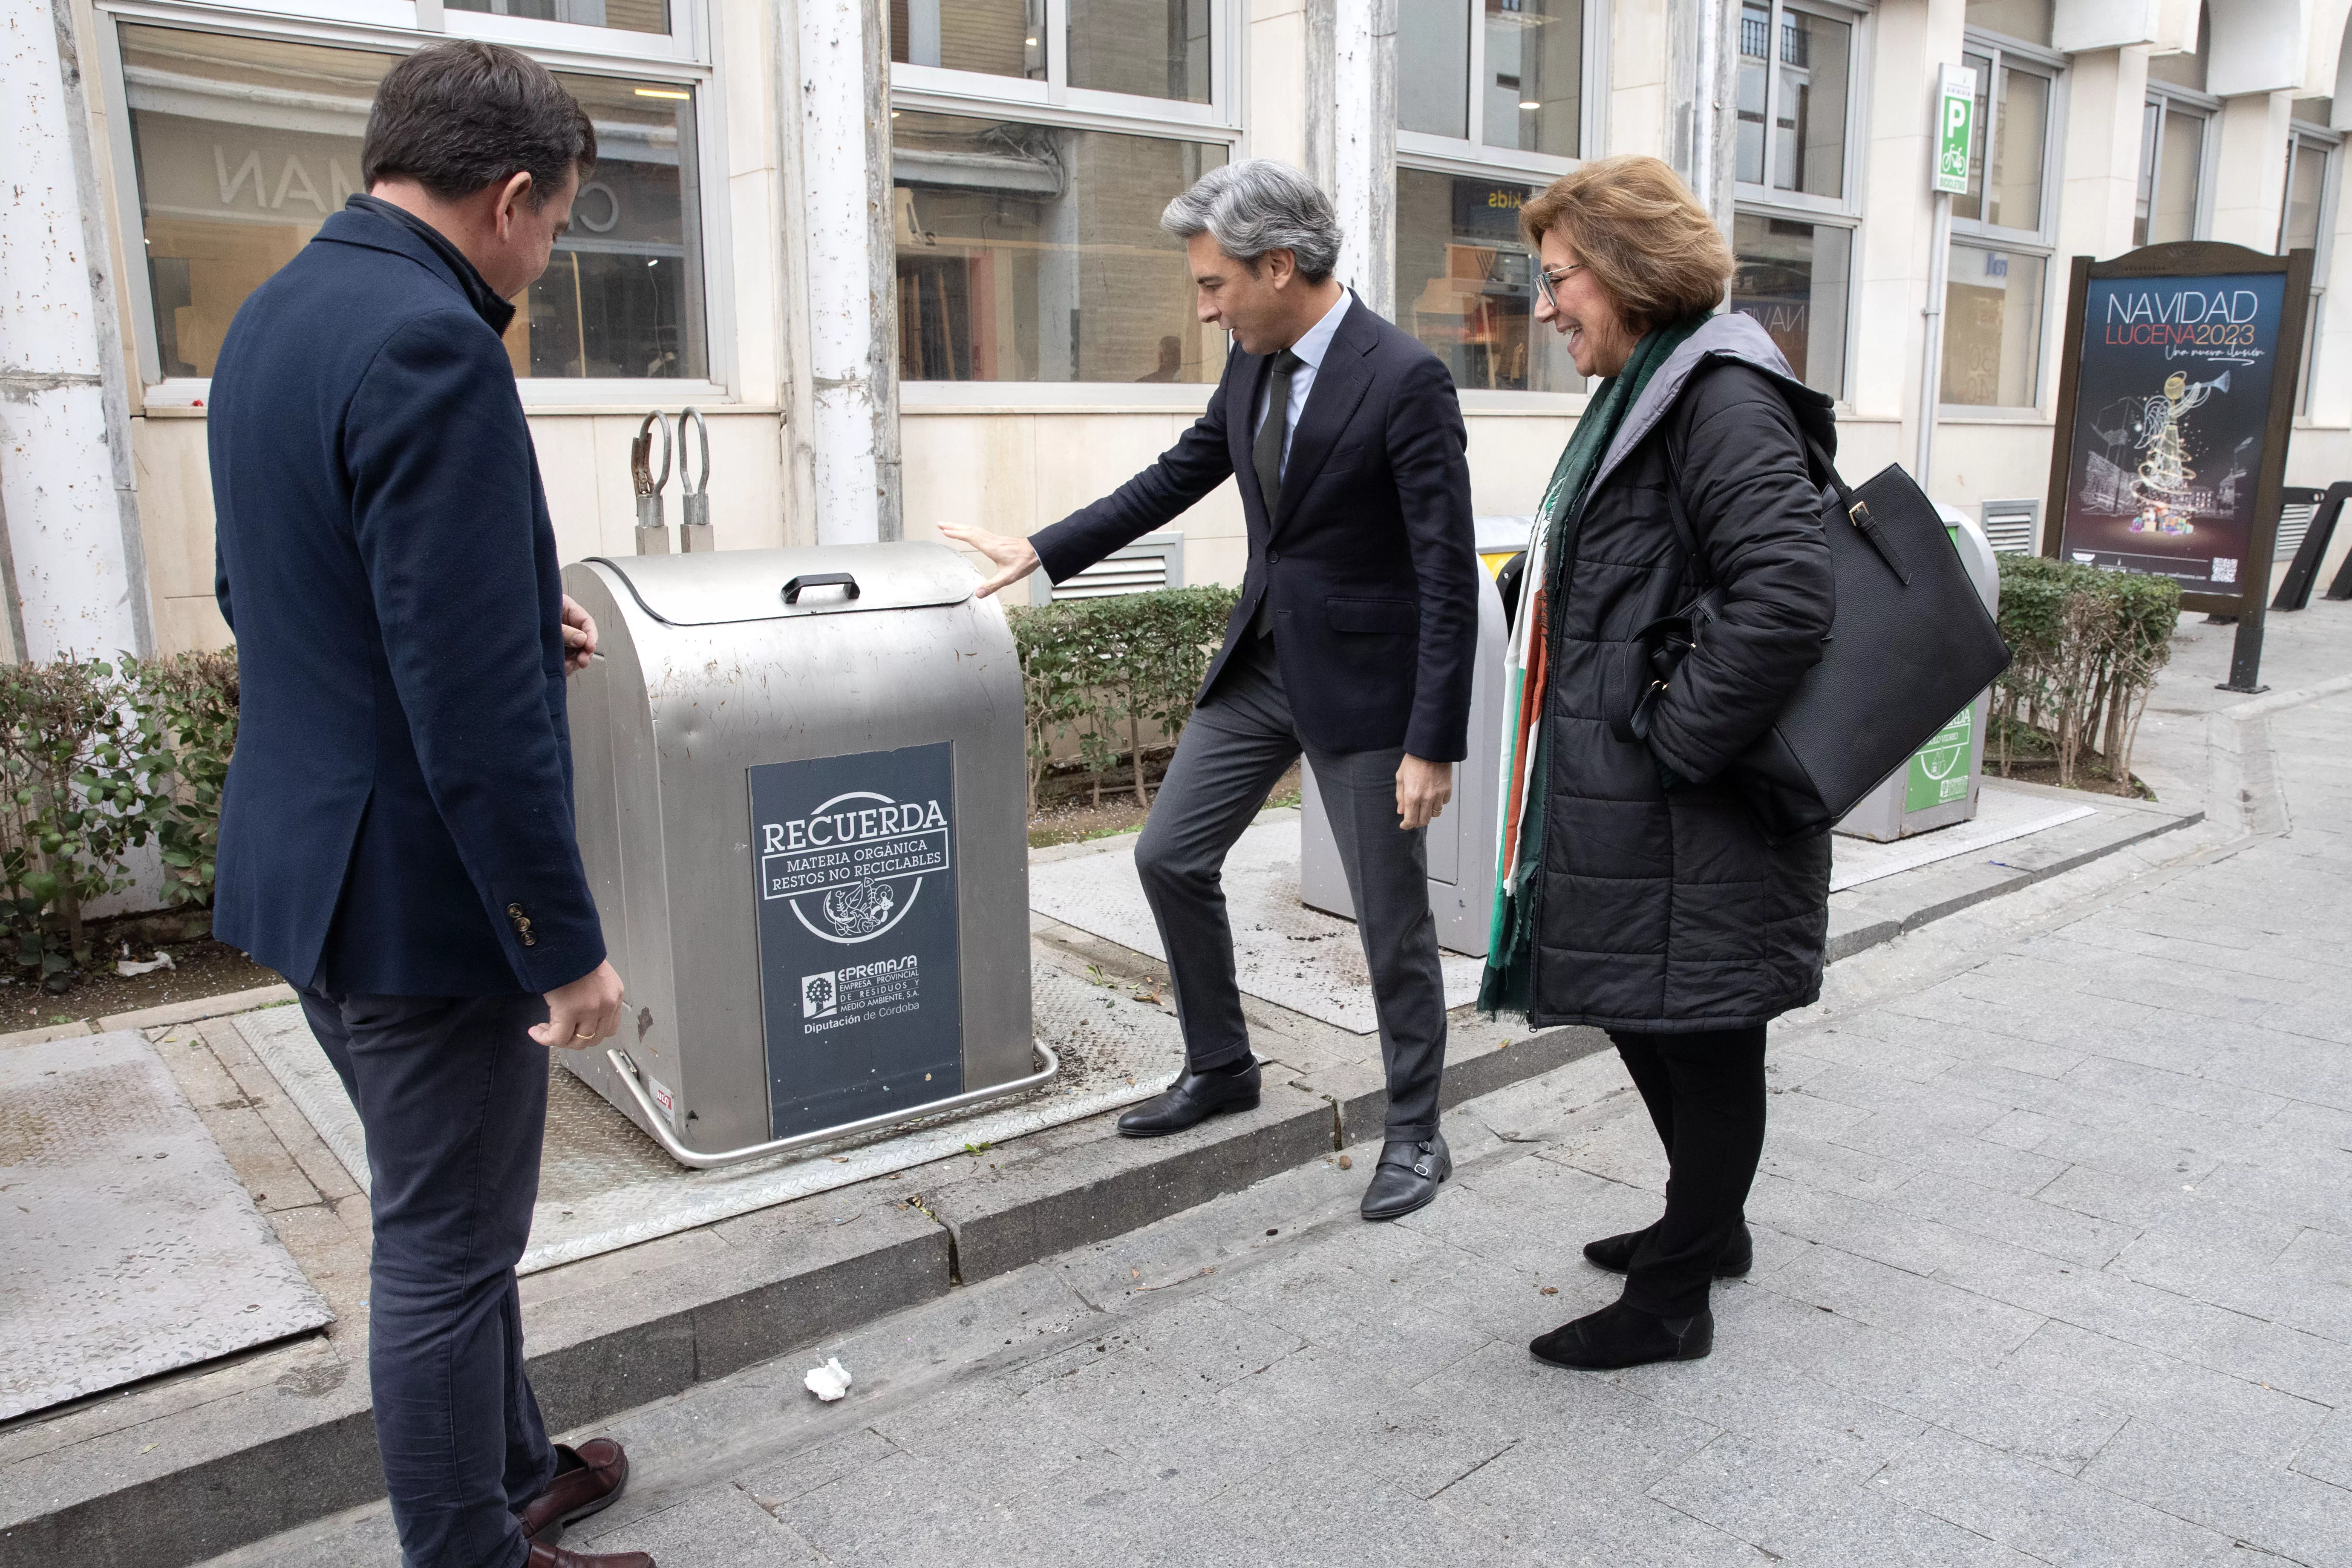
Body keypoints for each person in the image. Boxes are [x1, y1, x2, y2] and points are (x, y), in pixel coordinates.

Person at [209, 41, 650, 1568]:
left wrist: (528, 614)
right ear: (513, 198)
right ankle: (475, 1547)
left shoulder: (277, 313)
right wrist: (563, 945)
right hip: (420, 902)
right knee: (449, 1248)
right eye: (559, 222)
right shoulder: (433, 341)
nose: (546, 253)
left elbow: (273, 589)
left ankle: (518, 1463)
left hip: (305, 872)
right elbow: (469, 717)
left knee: (454, 1211)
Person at [943, 160, 1481, 1222]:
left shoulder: (1404, 377)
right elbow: (1175, 476)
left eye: (1213, 283)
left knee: (1390, 919)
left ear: (1280, 266)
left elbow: (1446, 573)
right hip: (1265, 666)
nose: (1203, 306)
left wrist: (1434, 740)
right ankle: (1224, 1063)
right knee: (1169, 853)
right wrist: (1044, 550)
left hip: (1370, 692)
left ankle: (1416, 1129)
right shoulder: (1254, 364)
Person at [1481, 156, 1836, 1369]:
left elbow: (1787, 595)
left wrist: (1676, 745)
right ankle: (1707, 1223)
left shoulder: (1719, 394)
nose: (1545, 306)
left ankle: (1675, 1299)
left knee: (1706, 1032)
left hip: (1700, 799)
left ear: (1628, 274)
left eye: (1559, 278)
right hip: (1643, 792)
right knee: (1651, 1014)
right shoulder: (1654, 387)